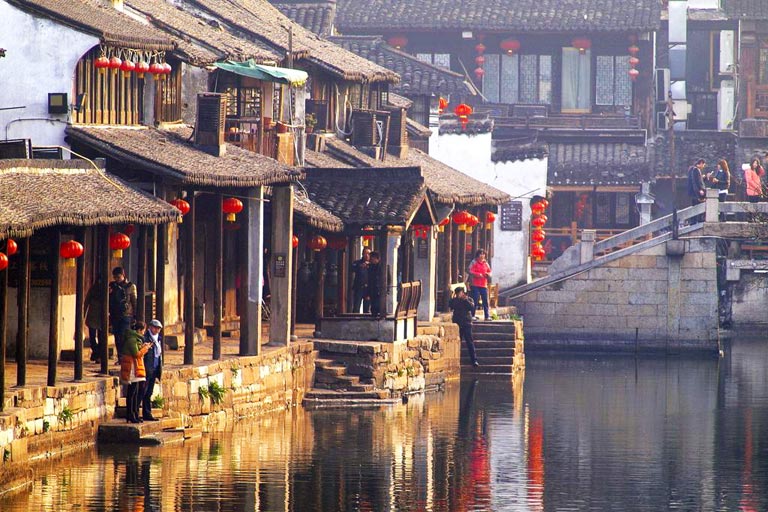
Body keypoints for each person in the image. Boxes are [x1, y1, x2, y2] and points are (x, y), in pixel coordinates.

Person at [120, 321, 151, 424]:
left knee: (135, 392)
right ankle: (130, 414)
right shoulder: (132, 340)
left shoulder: (136, 339)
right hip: (131, 368)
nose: (143, 333)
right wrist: (145, 349)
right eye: (143, 330)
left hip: (135, 367)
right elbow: (136, 354)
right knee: (131, 393)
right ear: (139, 330)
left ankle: (134, 414)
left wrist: (144, 346)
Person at [109, 266, 137, 362]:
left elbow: (134, 301)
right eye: (115, 277)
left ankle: (125, 356)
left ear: (123, 275)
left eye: (118, 277)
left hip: (126, 314)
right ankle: (120, 356)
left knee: (124, 336)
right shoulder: (112, 286)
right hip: (115, 314)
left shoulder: (130, 286)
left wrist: (135, 315)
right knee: (117, 336)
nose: (116, 279)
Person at [449, 287, 479, 367]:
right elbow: (450, 305)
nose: (460, 294)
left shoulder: (469, 299)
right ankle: (455, 360)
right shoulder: (455, 300)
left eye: (461, 292)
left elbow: (472, 308)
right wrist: (454, 298)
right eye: (458, 293)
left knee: (470, 342)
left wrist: (465, 300)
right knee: (457, 342)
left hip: (466, 323)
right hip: (457, 323)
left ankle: (474, 360)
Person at [141, 319, 163, 422]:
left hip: (154, 369)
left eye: (159, 328)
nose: (157, 330)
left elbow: (159, 355)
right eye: (155, 328)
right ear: (150, 327)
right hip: (146, 369)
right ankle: (136, 413)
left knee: (149, 392)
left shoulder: (158, 339)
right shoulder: (146, 338)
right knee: (143, 391)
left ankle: (147, 413)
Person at [468, 249, 492, 321]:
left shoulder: (486, 263)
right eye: (480, 254)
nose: (482, 256)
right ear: (478, 255)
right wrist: (477, 274)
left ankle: (487, 316)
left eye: (483, 254)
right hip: (475, 284)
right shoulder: (474, 262)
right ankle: (472, 315)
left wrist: (488, 275)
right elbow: (469, 270)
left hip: (483, 284)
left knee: (485, 300)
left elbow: (490, 271)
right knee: (475, 299)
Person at [84, 275, 103, 363]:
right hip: (93, 316)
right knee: (93, 336)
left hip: (101, 316)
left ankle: (97, 353)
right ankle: (96, 353)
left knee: (100, 337)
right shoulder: (93, 289)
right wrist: (83, 314)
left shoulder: (107, 289)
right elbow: (86, 301)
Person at [351, 247, 371, 314]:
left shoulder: (372, 264)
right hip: (359, 288)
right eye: (365, 253)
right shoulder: (358, 263)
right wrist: (360, 266)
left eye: (368, 254)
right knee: (356, 307)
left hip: (368, 289)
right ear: (362, 254)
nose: (367, 255)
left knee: (367, 308)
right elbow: (352, 268)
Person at [368, 251, 382, 317]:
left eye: (372, 258)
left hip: (380, 290)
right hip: (372, 290)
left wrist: (386, 289)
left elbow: (388, 279)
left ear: (376, 259)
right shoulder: (370, 267)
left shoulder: (383, 267)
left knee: (378, 306)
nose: (370, 260)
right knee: (373, 307)